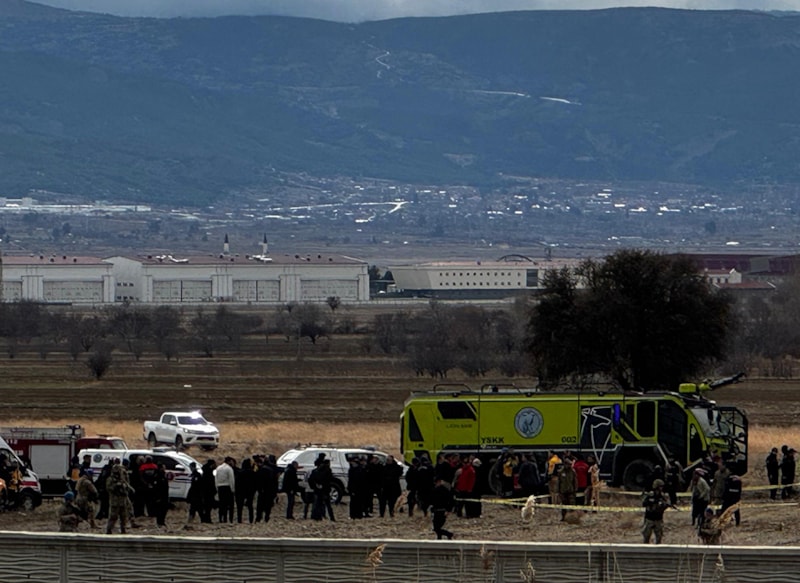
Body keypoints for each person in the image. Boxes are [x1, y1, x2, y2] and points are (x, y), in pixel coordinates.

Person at [105, 459, 131, 534]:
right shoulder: (110, 479)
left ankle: (123, 529)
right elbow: (109, 488)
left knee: (124, 516)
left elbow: (127, 488)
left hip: (123, 500)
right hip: (115, 501)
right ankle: (109, 529)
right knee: (113, 516)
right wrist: (116, 486)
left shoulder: (123, 479)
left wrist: (124, 486)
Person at [642, 479, 671, 544]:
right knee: (646, 537)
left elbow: (667, 504)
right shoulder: (650, 495)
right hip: (649, 519)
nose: (661, 488)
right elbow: (644, 503)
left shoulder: (662, 496)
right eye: (660, 487)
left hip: (658, 519)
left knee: (659, 537)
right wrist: (652, 502)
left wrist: (663, 505)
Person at [235, 457, 256, 524]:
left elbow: (237, 482)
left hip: (240, 491)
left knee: (240, 507)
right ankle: (251, 519)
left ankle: (239, 519)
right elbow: (254, 483)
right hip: (250, 491)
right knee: (250, 506)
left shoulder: (239, 472)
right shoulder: (252, 472)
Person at [215, 457, 236, 523]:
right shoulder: (229, 469)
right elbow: (231, 480)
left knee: (222, 504)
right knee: (230, 505)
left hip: (220, 487)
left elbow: (215, 479)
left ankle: (221, 518)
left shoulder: (218, 468)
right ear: (229, 461)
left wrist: (217, 488)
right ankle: (230, 519)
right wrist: (232, 489)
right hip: (227, 487)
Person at [152, 463, 170, 528]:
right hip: (160, 496)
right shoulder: (157, 476)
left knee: (164, 509)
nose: (164, 468)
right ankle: (159, 522)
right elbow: (156, 488)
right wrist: (157, 497)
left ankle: (162, 521)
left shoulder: (163, 475)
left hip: (165, 496)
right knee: (160, 510)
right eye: (163, 467)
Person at [200, 459, 217, 523]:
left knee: (207, 506)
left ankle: (206, 519)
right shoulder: (209, 473)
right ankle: (207, 519)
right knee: (208, 506)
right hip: (208, 492)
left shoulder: (206, 472)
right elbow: (210, 483)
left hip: (206, 492)